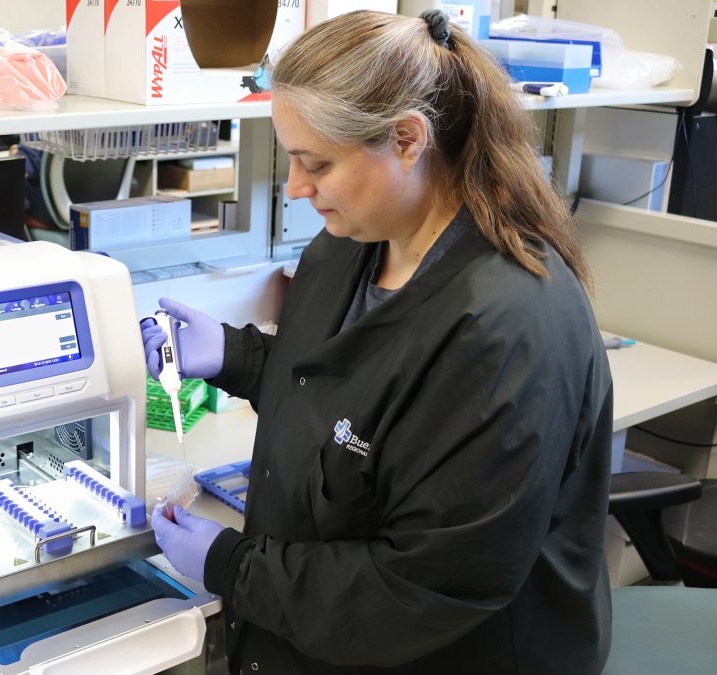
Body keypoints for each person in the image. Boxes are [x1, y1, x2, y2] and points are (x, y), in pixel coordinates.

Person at [142, 9, 613, 674]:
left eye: (317, 163)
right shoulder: (352, 245)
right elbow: (354, 397)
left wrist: (233, 565)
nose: (297, 188)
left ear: (407, 139)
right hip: (310, 639)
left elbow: (418, 587)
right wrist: (238, 356)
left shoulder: (506, 330)